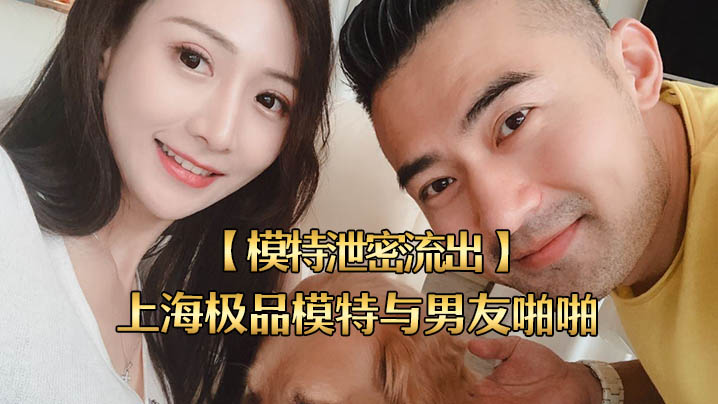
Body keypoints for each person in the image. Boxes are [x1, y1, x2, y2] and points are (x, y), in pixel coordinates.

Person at [338, 0, 717, 403]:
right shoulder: (645, 208)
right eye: (439, 184)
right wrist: (592, 387)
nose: (501, 219)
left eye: (515, 121)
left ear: (634, 67)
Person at [0, 0, 332, 403]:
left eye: (268, 99)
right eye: (193, 59)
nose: (220, 133)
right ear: (107, 41)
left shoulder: (165, 337)